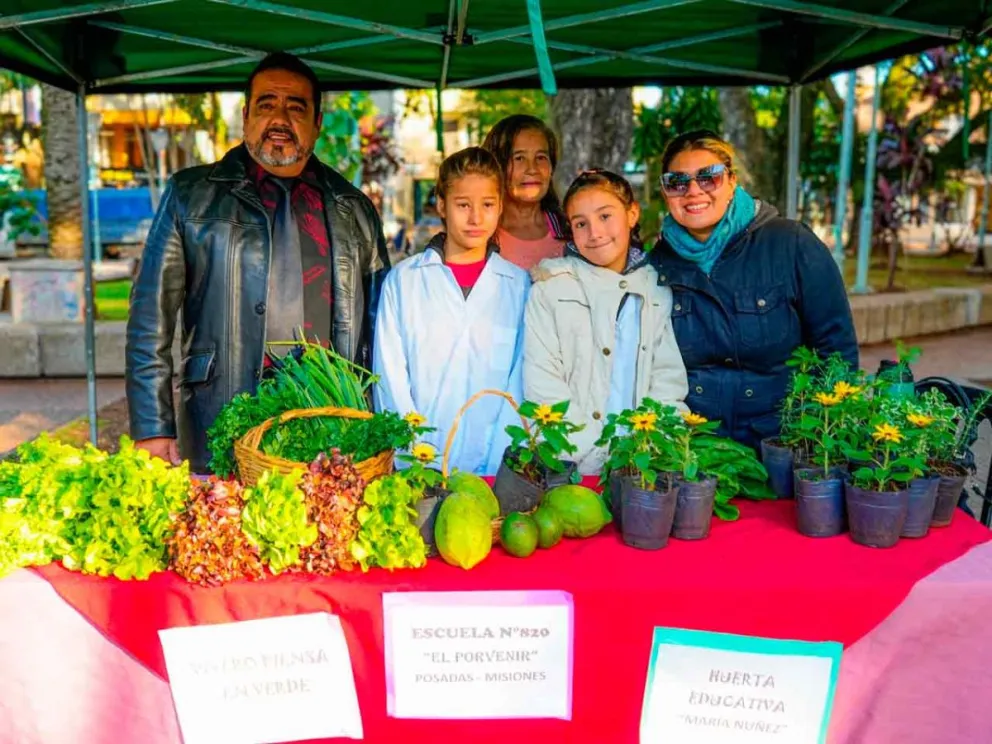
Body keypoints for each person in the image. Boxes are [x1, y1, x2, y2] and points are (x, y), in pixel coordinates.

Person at [126, 52, 390, 473]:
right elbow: (148, 320)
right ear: (246, 115)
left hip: (330, 425)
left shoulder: (353, 209)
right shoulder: (189, 196)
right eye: (267, 105)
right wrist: (153, 426)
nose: (280, 118)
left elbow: (382, 329)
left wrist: (378, 425)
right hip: (222, 418)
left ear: (317, 122)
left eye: (296, 107)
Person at [651, 129, 858, 449]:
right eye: (677, 182)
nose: (693, 191)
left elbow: (836, 350)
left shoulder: (791, 243)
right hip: (691, 446)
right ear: (666, 193)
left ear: (732, 181)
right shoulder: (656, 266)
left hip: (784, 442)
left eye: (709, 177)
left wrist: (819, 439)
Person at [373, 147, 529, 475]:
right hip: (418, 470)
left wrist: (500, 465)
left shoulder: (519, 286)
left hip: (495, 470)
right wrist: (414, 457)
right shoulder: (404, 281)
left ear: (501, 206)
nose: (475, 218)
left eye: (487, 205)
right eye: (463, 205)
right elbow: (390, 380)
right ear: (442, 205)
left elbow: (520, 382)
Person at [524, 169, 688, 474]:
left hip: (640, 465)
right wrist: (589, 455)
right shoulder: (550, 288)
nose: (595, 233)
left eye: (605, 216)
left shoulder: (656, 287)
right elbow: (543, 383)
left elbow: (667, 379)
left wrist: (644, 452)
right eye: (580, 224)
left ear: (632, 214)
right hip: (573, 463)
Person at [482, 114, 568, 270]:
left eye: (541, 157)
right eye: (519, 158)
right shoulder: (481, 236)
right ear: (496, 167)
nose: (532, 169)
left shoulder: (570, 230)